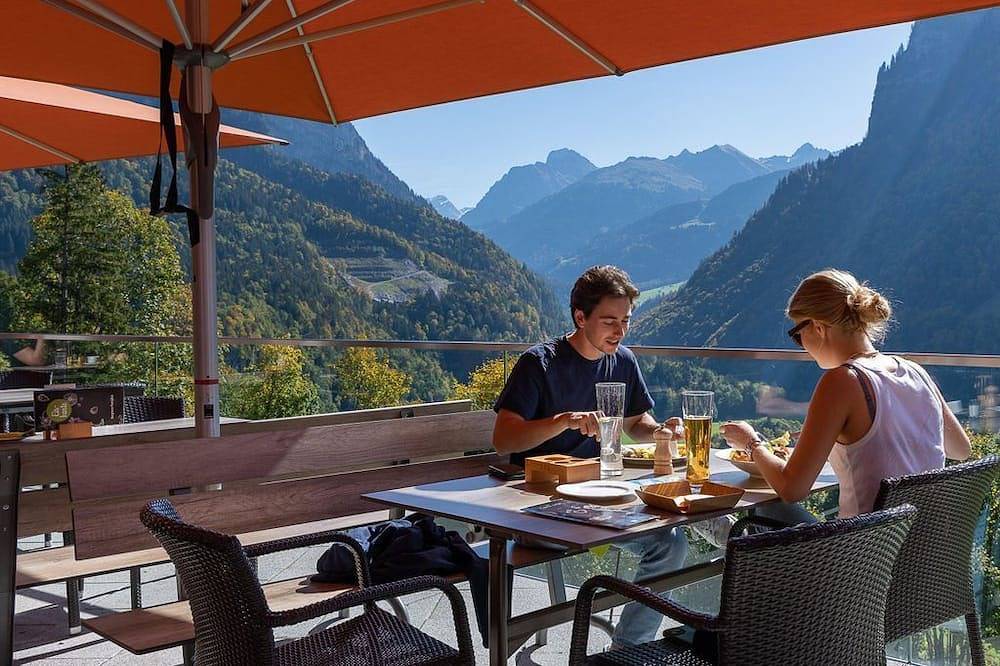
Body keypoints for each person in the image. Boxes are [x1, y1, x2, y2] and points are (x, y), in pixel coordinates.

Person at [492, 265, 688, 648]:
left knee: (676, 536)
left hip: (599, 499)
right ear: (580, 317)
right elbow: (504, 440)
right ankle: (634, 651)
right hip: (538, 507)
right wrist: (563, 421)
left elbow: (636, 421)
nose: (620, 331)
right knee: (671, 540)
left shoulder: (623, 361)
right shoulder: (541, 363)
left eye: (626, 321)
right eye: (610, 321)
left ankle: (627, 650)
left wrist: (661, 431)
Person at [721, 269, 970, 521]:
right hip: (927, 549)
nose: (801, 345)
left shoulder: (843, 380)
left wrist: (752, 444)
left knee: (768, 508)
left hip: (861, 555)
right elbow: (960, 449)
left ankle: (720, 528)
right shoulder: (915, 371)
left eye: (797, 335)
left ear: (817, 327)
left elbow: (792, 489)